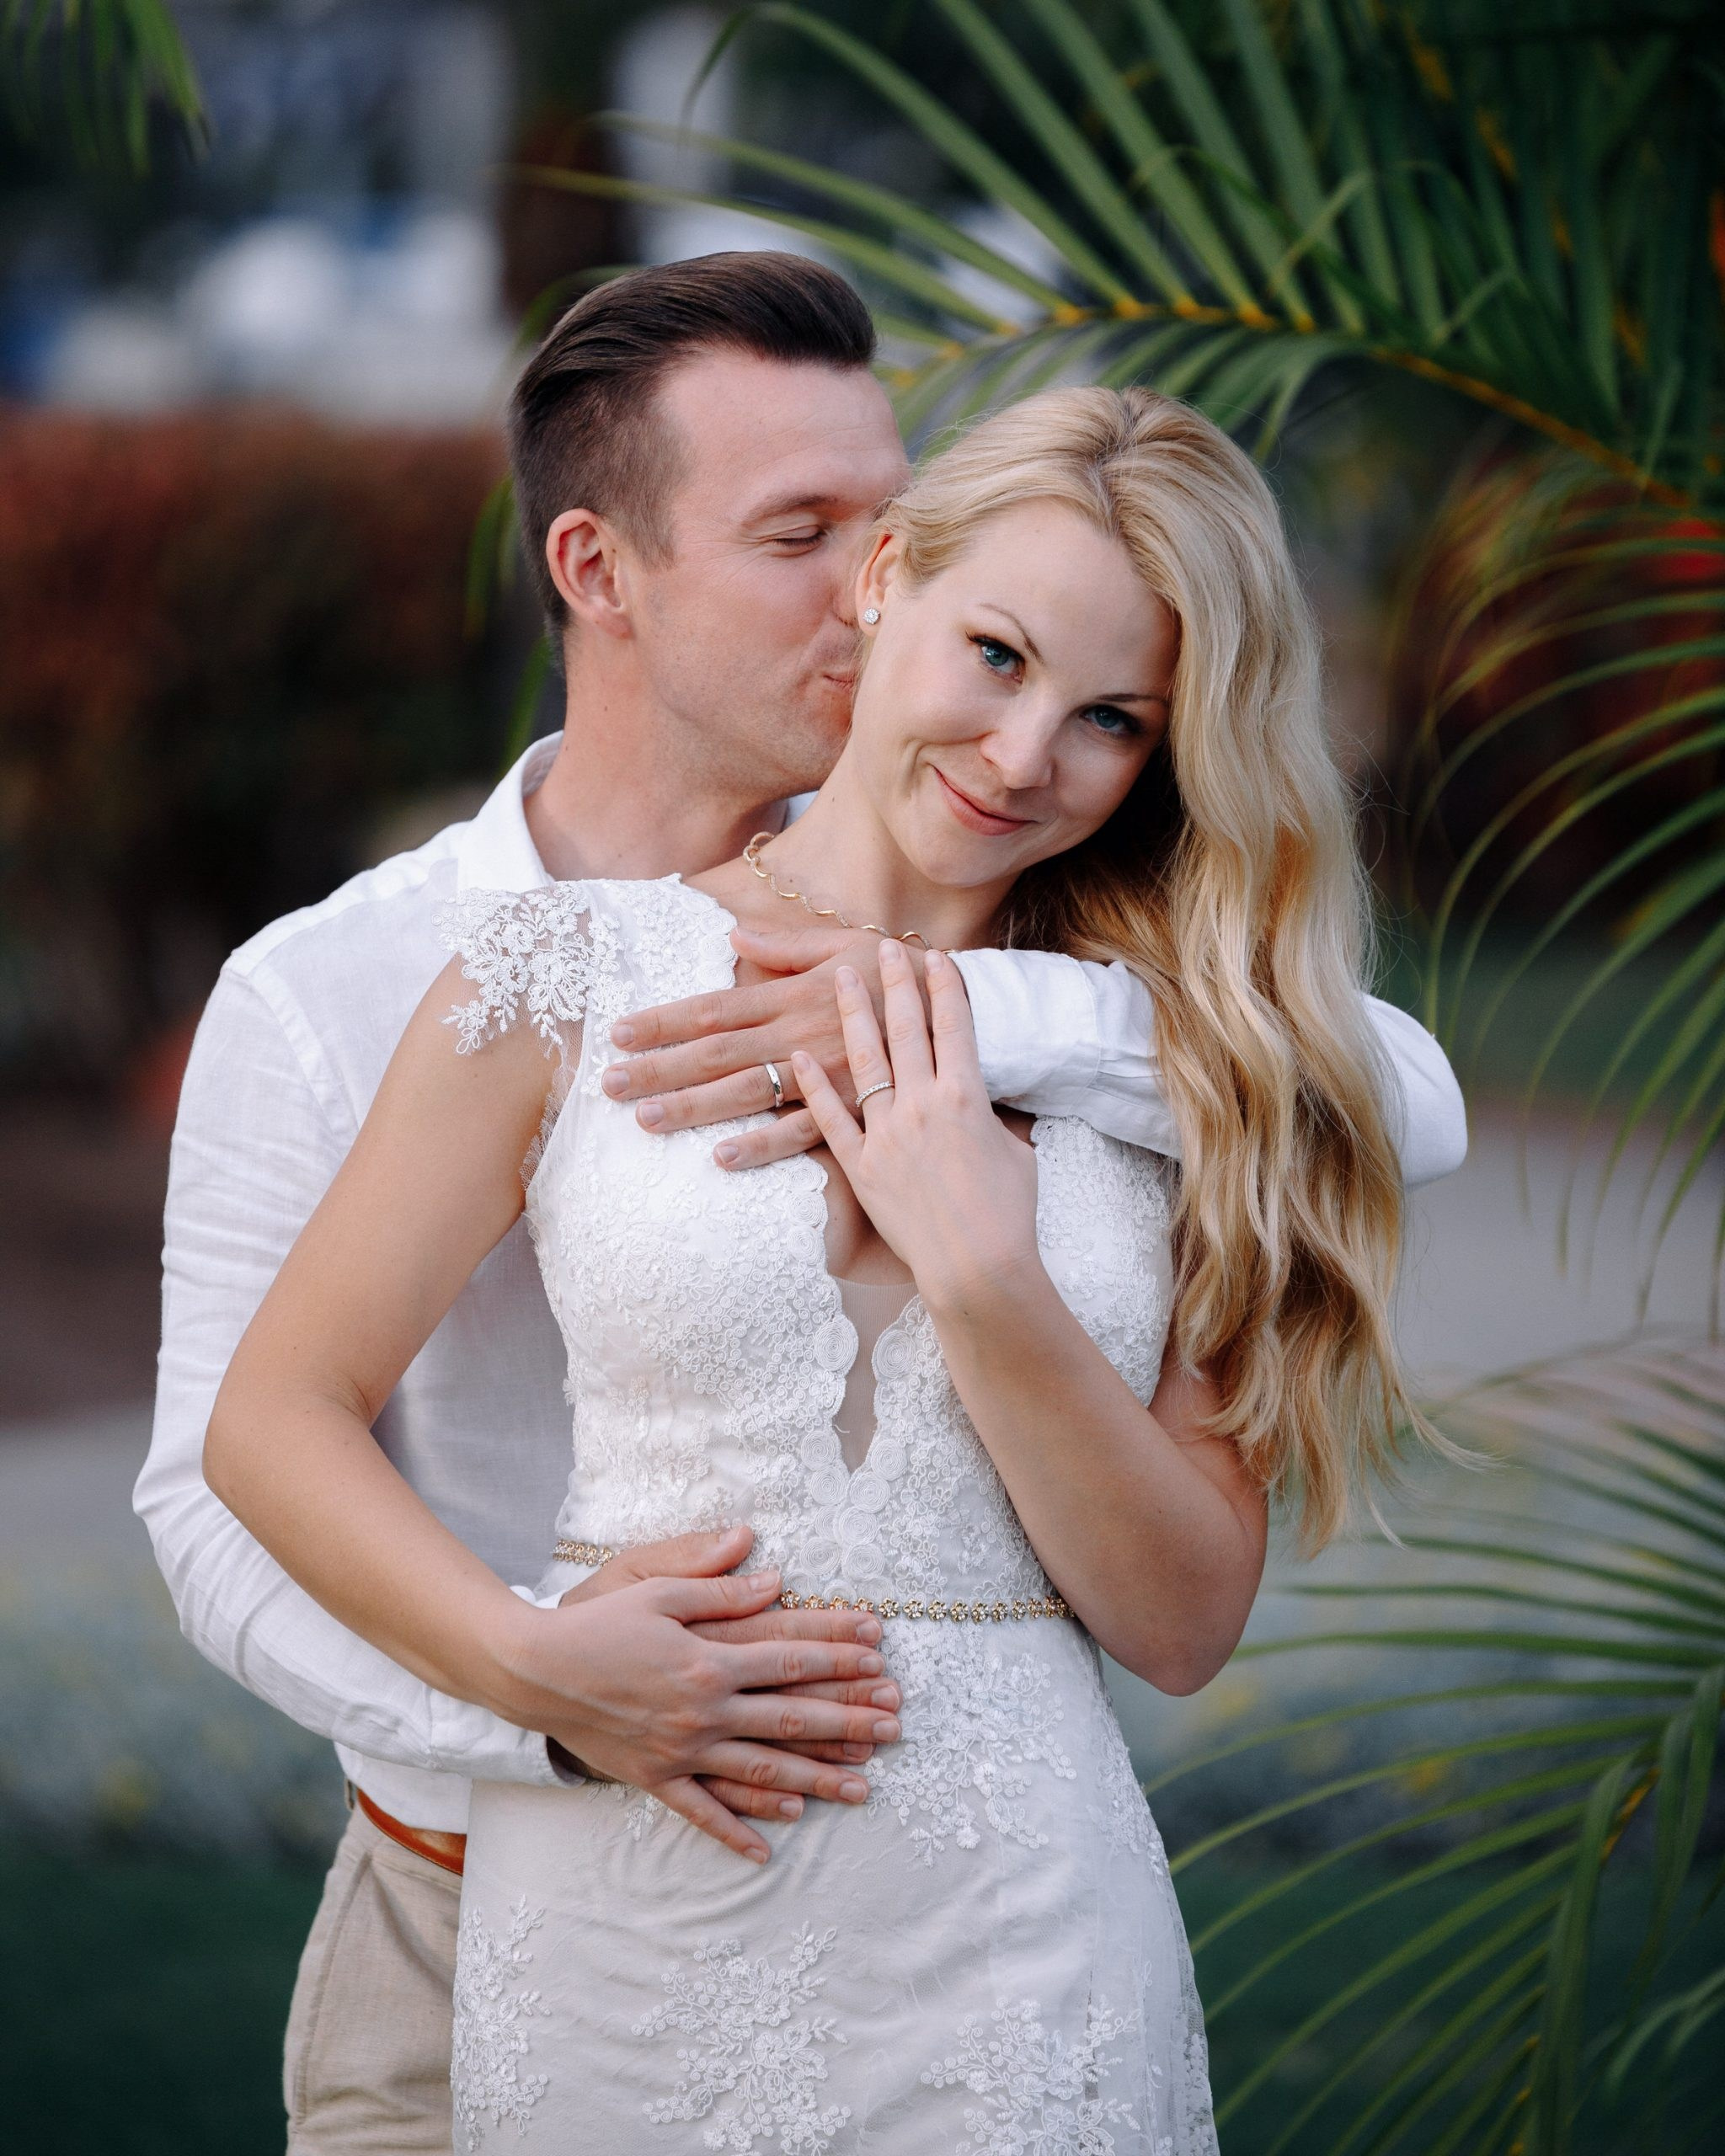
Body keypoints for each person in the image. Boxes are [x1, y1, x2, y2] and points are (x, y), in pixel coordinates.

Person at [141, 253, 1464, 2152]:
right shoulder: (516, 970)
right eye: (993, 655)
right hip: (575, 1882)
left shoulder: (1167, 1056)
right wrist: (537, 1677)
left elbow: (1185, 1611)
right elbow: (247, 1437)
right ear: (884, 591)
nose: (1028, 754)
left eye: (1115, 719)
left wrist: (987, 1248)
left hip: (1018, 1943)